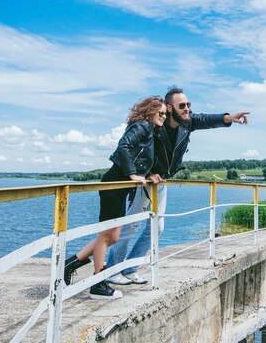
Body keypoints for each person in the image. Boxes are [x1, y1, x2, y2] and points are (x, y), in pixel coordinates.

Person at [105, 87, 249, 285]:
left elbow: (205, 119)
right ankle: (113, 269)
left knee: (158, 227)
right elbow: (138, 150)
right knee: (131, 225)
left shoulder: (186, 124)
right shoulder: (156, 125)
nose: (187, 109)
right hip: (146, 181)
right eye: (182, 106)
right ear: (170, 108)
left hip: (161, 181)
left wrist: (228, 118)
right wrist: (144, 174)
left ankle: (130, 268)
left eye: (189, 105)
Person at [63, 96, 167, 300]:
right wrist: (132, 174)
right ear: (150, 111)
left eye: (165, 114)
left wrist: (148, 175)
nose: (163, 117)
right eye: (161, 112)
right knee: (105, 235)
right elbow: (124, 146)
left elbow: (141, 158)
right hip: (113, 185)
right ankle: (98, 284)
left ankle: (72, 263)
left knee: (114, 237)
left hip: (121, 188)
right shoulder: (142, 125)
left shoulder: (150, 131)